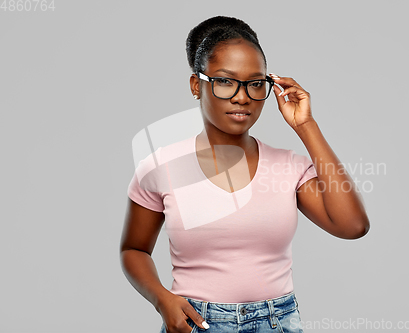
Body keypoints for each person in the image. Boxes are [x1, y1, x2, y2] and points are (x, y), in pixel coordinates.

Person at [120, 15, 370, 333]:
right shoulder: (161, 167)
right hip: (196, 322)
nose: (242, 96)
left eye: (255, 83)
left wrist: (306, 126)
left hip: (277, 322)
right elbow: (134, 249)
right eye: (225, 81)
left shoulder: (289, 167)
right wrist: (162, 300)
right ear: (197, 85)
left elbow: (353, 226)